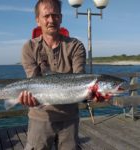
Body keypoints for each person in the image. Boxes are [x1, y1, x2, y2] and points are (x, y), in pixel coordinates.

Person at [18, 0, 86, 149]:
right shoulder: (28, 47)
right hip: (40, 117)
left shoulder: (76, 46)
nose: (51, 20)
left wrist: (90, 94)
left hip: (70, 119)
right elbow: (33, 82)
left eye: (55, 15)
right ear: (38, 20)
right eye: (46, 15)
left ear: (61, 18)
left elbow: (80, 79)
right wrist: (30, 98)